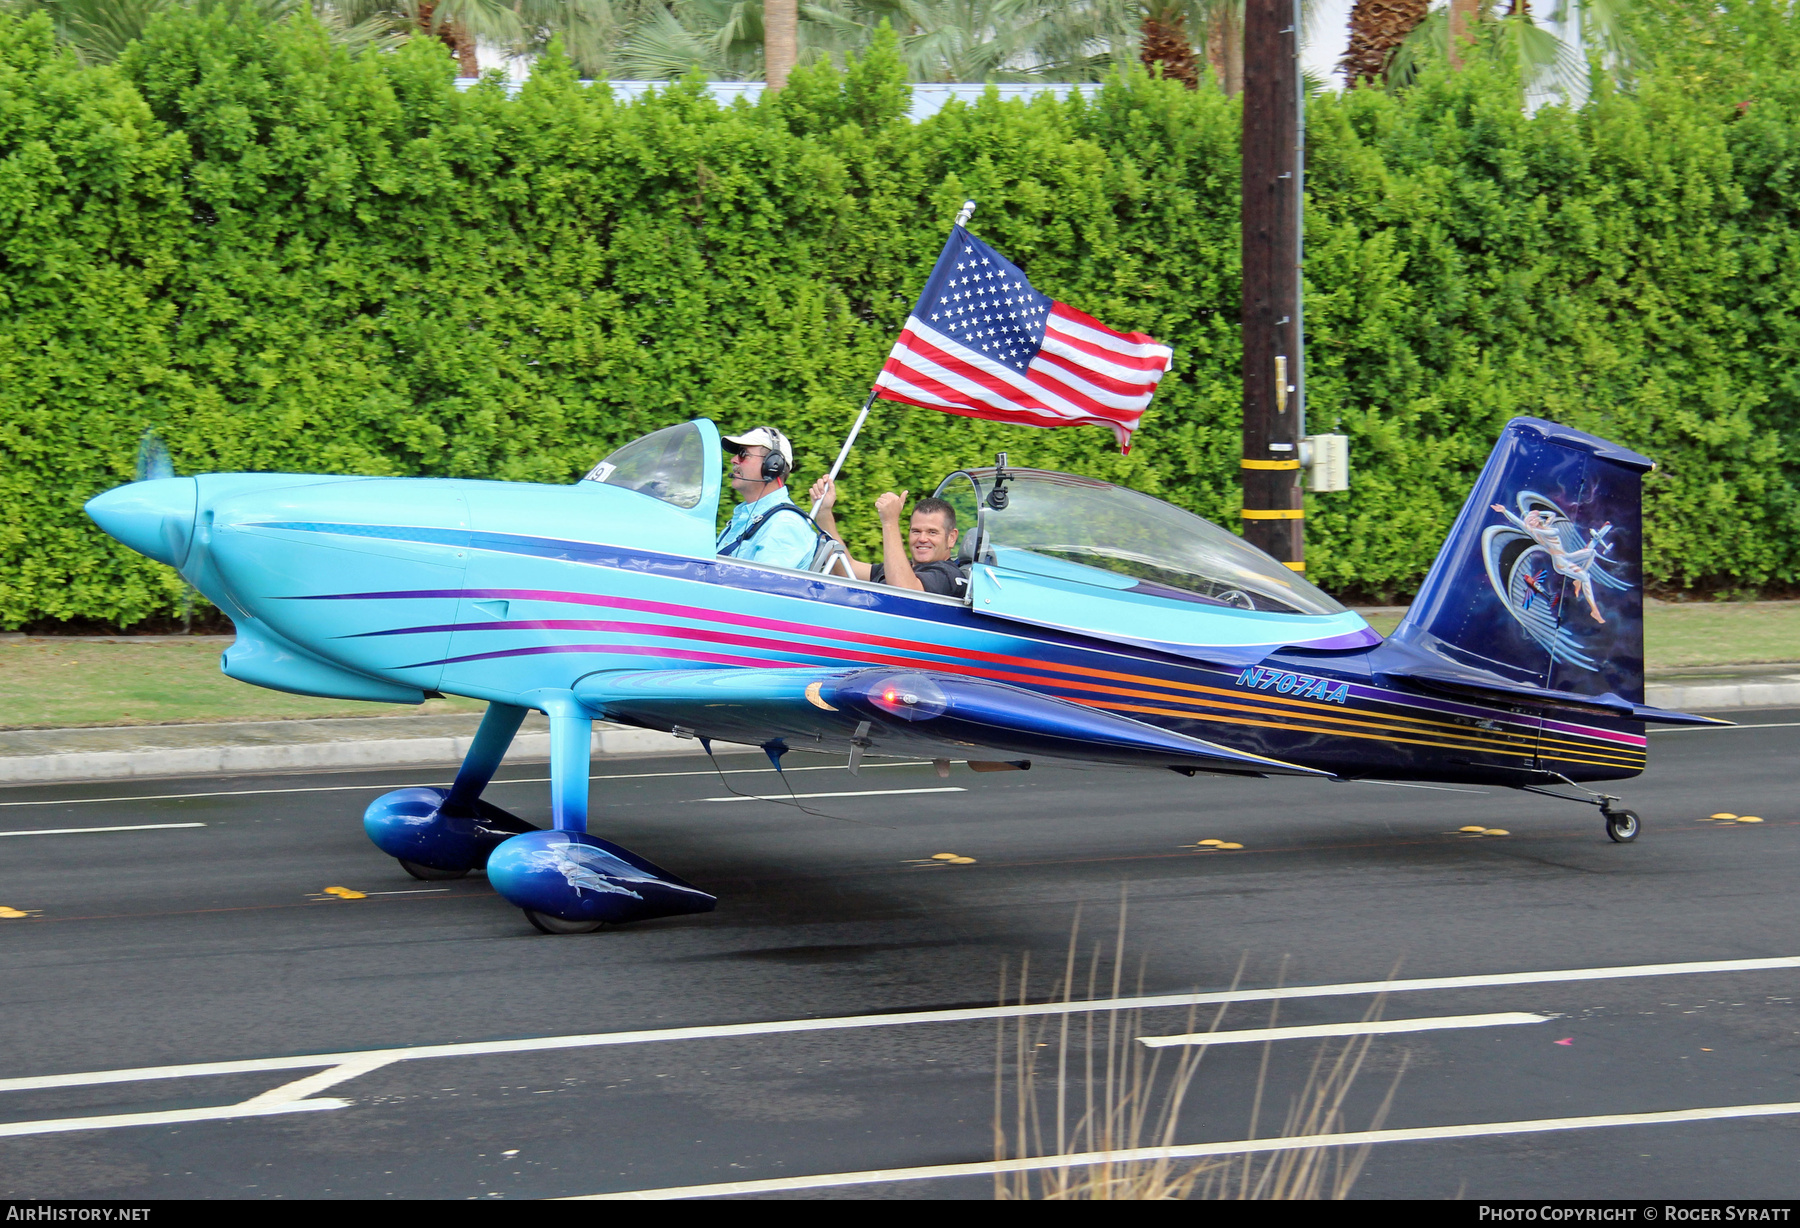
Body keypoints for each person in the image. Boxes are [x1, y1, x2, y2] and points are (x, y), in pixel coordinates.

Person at [808, 476, 969, 597]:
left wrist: (890, 522)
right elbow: (845, 569)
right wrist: (824, 512)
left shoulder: (947, 575)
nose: (922, 538)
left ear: (951, 537)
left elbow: (905, 594)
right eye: (916, 531)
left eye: (932, 532)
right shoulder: (900, 567)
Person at [716, 426, 817, 571]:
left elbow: (759, 589)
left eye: (743, 454)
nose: (733, 460)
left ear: (773, 465)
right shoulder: (747, 516)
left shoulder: (784, 525)